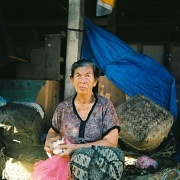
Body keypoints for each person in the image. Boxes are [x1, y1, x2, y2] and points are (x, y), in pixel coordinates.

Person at [31, 59, 124, 180]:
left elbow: (111, 142)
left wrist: (75, 148)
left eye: (87, 76)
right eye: (78, 76)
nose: (82, 81)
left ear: (95, 81)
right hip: (68, 161)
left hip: (100, 158)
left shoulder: (105, 106)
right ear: (72, 80)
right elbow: (53, 131)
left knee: (86, 156)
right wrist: (49, 142)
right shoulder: (63, 107)